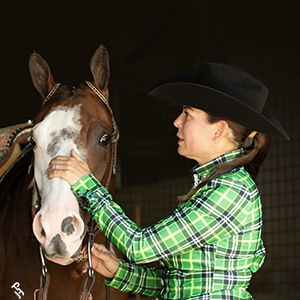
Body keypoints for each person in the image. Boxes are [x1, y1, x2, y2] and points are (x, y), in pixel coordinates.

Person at [45, 62, 289, 299]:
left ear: (218, 130)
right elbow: (181, 283)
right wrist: (119, 271)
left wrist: (87, 184)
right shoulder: (215, 184)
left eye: (187, 114)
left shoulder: (231, 190)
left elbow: (140, 248)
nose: (177, 122)